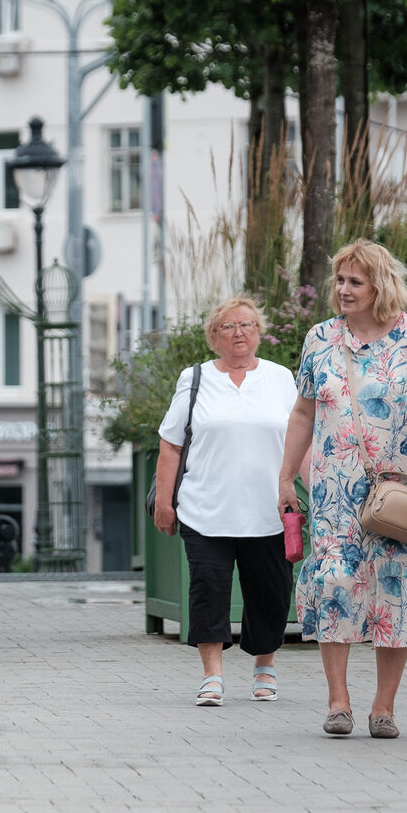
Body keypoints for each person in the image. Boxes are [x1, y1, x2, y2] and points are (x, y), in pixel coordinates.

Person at [277, 240, 407, 738]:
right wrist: (285, 477)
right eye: (339, 281)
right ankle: (338, 700)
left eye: (354, 282)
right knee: (334, 582)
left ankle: (383, 707)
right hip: (335, 490)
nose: (343, 290)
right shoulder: (319, 338)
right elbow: (304, 412)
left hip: (403, 488)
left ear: (379, 286)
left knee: (397, 589)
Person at [154, 295, 298, 706]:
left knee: (270, 592)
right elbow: (171, 444)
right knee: (208, 589)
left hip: (268, 511)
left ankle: (264, 666)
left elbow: (299, 441)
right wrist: (165, 502)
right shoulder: (195, 378)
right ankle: (212, 676)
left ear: (260, 332)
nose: (239, 333)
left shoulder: (280, 378)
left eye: (247, 325)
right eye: (229, 326)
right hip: (205, 509)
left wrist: (315, 490)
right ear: (214, 337)